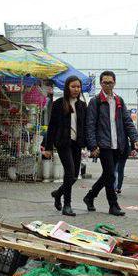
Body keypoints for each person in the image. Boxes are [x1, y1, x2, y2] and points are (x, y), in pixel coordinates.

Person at [84, 71, 138, 216]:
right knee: (110, 174)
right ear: (101, 84)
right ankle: (113, 205)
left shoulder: (119, 101)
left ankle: (90, 196)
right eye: (105, 82)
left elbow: (127, 122)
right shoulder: (95, 101)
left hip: (119, 144)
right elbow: (90, 125)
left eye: (110, 82)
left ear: (114, 83)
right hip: (103, 145)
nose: (107, 85)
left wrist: (135, 139)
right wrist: (92, 145)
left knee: (107, 175)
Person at [42, 76, 86, 216]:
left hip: (76, 144)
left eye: (78, 87)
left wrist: (89, 145)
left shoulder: (82, 105)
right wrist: (48, 147)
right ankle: (67, 205)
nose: (76, 89)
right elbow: (52, 126)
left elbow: (84, 126)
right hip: (63, 143)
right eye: (73, 86)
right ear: (67, 87)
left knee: (74, 176)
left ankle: (58, 193)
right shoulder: (58, 104)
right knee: (70, 171)